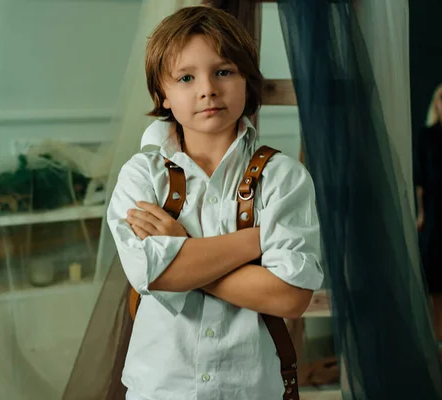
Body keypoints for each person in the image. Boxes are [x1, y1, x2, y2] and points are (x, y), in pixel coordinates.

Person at [107, 6, 324, 399]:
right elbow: (152, 275)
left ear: (246, 80)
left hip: (252, 389)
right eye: (186, 77)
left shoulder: (284, 178)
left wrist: (182, 252)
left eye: (223, 71)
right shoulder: (141, 176)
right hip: (160, 389)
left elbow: (290, 297)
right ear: (163, 95)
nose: (207, 88)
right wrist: (255, 242)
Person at [415, 80, 442, 343]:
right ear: (437, 102)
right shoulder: (427, 135)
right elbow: (421, 181)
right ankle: (435, 338)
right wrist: (421, 214)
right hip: (436, 211)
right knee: (434, 277)